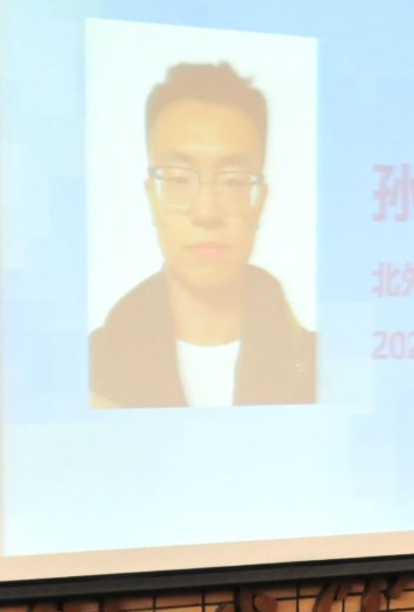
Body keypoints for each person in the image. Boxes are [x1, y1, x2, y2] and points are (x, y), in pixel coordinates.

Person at [89, 61, 317, 408]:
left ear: (260, 202)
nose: (207, 212)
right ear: (152, 199)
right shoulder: (89, 373)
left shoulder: (323, 370)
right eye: (179, 179)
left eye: (234, 181)